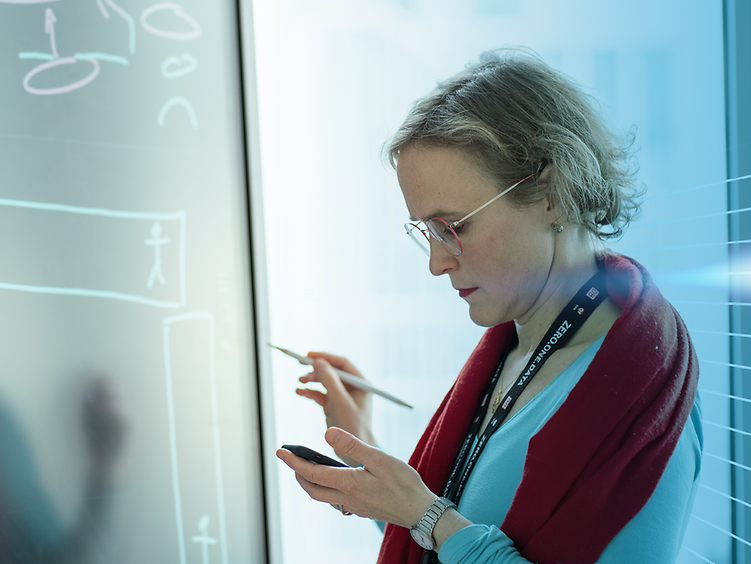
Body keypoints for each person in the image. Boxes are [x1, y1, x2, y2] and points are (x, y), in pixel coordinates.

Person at [276, 48, 701, 564]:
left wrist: (426, 515)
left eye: (454, 228)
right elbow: (451, 537)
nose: (436, 263)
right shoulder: (519, 345)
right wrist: (371, 455)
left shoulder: (643, 393)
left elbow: (441, 527)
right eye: (427, 233)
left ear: (551, 193)